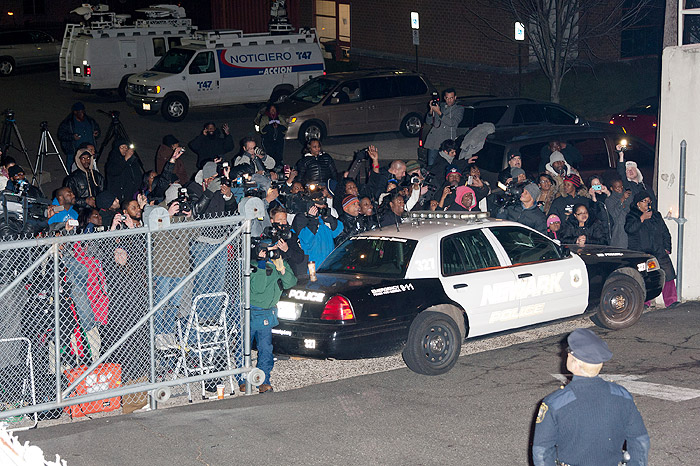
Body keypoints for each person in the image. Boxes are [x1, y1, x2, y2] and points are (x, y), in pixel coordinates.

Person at [532, 328, 649, 466]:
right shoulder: (623, 396)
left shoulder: (555, 403)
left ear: (574, 363)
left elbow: (542, 451)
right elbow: (640, 440)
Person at [242, 245, 297, 393]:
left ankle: (263, 380)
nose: (271, 253)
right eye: (268, 250)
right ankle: (243, 379)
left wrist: (281, 267)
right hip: (251, 311)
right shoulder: (253, 266)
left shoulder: (279, 263)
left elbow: (290, 283)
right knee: (243, 346)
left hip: (268, 312)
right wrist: (261, 264)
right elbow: (258, 288)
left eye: (274, 250)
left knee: (266, 348)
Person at [625, 191, 679, 308]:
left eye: (648, 201)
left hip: (659, 250)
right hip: (642, 252)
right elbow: (629, 229)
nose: (647, 204)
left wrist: (666, 248)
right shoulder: (632, 215)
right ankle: (644, 302)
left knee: (668, 275)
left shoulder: (656, 215)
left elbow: (665, 232)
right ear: (638, 203)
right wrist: (642, 218)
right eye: (644, 201)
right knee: (645, 277)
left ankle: (671, 301)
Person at [424, 88, 464, 166]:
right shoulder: (440, 106)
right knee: (431, 165)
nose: (449, 100)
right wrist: (431, 110)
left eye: (451, 98)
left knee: (445, 166)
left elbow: (452, 122)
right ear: (444, 98)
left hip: (446, 143)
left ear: (455, 97)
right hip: (434, 141)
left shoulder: (459, 109)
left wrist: (439, 112)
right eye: (447, 98)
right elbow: (428, 121)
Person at [256, 102, 288, 167]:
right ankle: (270, 166)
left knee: (279, 153)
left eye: (274, 109)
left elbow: (285, 128)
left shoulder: (280, 117)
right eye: (271, 109)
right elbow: (262, 130)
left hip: (279, 140)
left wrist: (278, 126)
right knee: (270, 153)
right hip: (268, 140)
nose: (273, 111)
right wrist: (270, 126)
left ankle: (279, 165)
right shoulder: (264, 118)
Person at [605, 179, 633, 248]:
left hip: (631, 226)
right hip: (619, 230)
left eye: (621, 186)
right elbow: (614, 214)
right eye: (617, 188)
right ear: (612, 188)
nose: (620, 189)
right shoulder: (609, 200)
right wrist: (622, 199)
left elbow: (631, 210)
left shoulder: (629, 196)